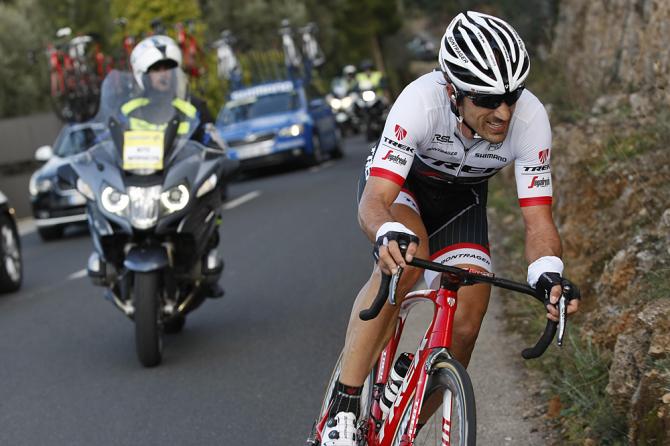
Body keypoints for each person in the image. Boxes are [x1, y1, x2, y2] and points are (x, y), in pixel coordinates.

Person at [321, 11, 580, 445]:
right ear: (453, 91)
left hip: (463, 203)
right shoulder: (419, 102)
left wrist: (548, 272)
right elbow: (376, 199)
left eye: (512, 96)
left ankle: (404, 426)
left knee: (469, 316)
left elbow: (538, 219)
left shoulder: (531, 120)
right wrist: (384, 232)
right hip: (404, 191)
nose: (503, 112)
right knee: (405, 262)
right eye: (487, 99)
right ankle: (344, 408)